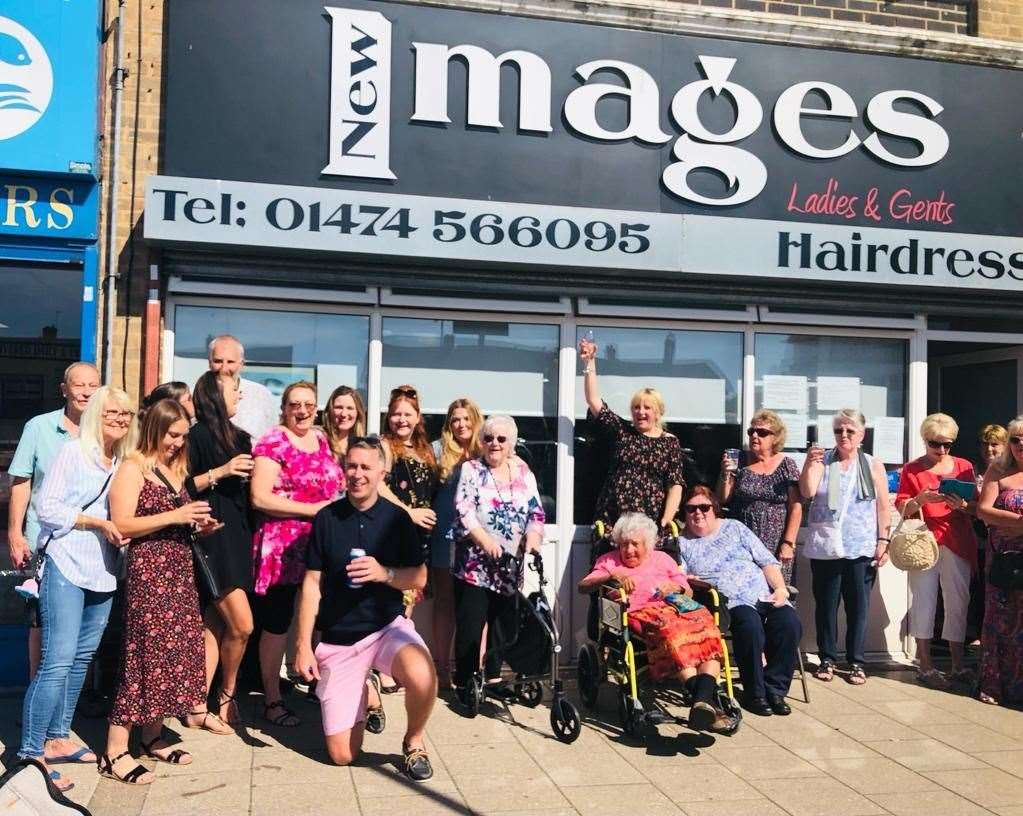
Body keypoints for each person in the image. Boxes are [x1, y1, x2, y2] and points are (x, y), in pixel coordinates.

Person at [293, 438, 436, 779]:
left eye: (366, 467)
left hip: (386, 628)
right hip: (339, 640)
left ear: (381, 473)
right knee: (342, 755)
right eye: (352, 466)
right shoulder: (327, 518)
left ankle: (414, 740)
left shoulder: (397, 519)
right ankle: (362, 685)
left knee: (422, 675)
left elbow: (419, 577)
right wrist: (302, 645)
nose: (357, 474)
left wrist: (384, 574)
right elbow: (311, 584)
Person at [16, 387, 135, 792]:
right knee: (57, 661)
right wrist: (98, 524)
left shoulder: (120, 460)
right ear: (96, 413)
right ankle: (29, 754)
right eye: (112, 412)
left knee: (82, 657)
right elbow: (46, 508)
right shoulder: (73, 452)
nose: (120, 419)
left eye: (126, 414)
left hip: (103, 570)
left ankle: (59, 738)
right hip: (67, 564)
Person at [101, 399, 220, 785]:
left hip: (179, 571)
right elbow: (122, 524)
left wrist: (198, 526)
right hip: (150, 572)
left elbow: (175, 520)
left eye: (183, 436)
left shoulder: (173, 470)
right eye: (173, 435)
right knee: (143, 656)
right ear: (154, 428)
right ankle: (115, 749)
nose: (177, 443)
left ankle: (152, 736)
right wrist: (176, 516)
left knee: (172, 654)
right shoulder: (134, 467)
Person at [579, 512, 734, 732]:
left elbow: (687, 590)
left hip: (678, 609)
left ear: (649, 545)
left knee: (707, 628)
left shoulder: (663, 559)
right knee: (675, 634)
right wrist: (612, 577)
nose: (629, 550)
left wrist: (676, 588)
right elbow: (583, 586)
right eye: (624, 544)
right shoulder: (609, 561)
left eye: (635, 544)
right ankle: (704, 698)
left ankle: (702, 701)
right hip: (643, 614)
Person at [251, 381, 343, 727]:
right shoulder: (273, 441)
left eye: (308, 404)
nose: (301, 410)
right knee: (276, 624)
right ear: (284, 408)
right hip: (283, 548)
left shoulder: (321, 440)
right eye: (294, 404)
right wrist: (314, 509)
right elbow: (259, 497)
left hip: (319, 548)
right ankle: (272, 699)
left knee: (319, 619)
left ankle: (318, 686)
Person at [7, 362, 100, 678]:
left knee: (82, 624)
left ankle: (70, 700)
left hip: (90, 546)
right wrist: (15, 535)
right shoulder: (39, 427)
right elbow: (21, 482)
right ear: (64, 389)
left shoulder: (105, 431)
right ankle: (37, 696)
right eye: (79, 385)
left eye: (92, 385)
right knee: (41, 622)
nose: (86, 392)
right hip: (44, 543)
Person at [676, 486, 802, 716]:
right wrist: (690, 581)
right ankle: (755, 694)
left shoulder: (735, 528)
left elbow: (766, 561)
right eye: (691, 508)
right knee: (750, 627)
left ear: (714, 509)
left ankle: (774, 689)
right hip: (730, 601)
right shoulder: (683, 542)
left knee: (789, 623)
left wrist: (781, 589)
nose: (698, 513)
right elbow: (679, 577)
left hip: (764, 595)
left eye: (704, 507)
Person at [452, 415, 544, 705]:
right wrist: (486, 541)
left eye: (501, 439)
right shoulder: (471, 469)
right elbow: (463, 510)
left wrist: (533, 537)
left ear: (511, 444)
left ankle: (492, 677)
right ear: (481, 441)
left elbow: (536, 511)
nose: (494, 443)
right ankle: (465, 680)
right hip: (476, 565)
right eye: (489, 438)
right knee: (472, 622)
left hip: (509, 565)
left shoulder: (523, 471)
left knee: (503, 622)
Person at [799, 409, 890, 686]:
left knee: (858, 607)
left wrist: (883, 541)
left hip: (860, 545)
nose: (844, 435)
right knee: (826, 606)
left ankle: (856, 661)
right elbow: (807, 492)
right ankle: (827, 657)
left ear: (861, 435)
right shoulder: (823, 461)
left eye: (850, 430)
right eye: (839, 430)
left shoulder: (873, 464)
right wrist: (807, 465)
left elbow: (883, 505)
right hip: (827, 545)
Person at [185, 371, 256, 725]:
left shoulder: (242, 437)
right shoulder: (193, 436)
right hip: (211, 538)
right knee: (242, 625)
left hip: (238, 536)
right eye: (233, 390)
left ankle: (197, 705)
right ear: (213, 394)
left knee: (214, 624)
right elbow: (182, 486)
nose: (239, 396)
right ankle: (227, 696)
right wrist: (222, 471)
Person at [896, 413, 977, 688]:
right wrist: (920, 499)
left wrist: (963, 506)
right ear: (924, 440)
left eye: (947, 444)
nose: (941, 450)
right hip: (924, 541)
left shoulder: (965, 466)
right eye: (935, 443)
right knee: (924, 600)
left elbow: (978, 508)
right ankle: (926, 664)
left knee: (958, 600)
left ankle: (957, 664)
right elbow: (902, 508)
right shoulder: (912, 469)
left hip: (957, 538)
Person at [578, 337, 685, 538]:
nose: (641, 412)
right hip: (613, 521)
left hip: (650, 524)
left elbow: (675, 483)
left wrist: (667, 518)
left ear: (658, 412)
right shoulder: (623, 432)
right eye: (636, 407)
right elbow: (593, 400)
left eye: (647, 407)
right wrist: (589, 362)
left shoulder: (670, 442)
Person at [430, 398, 483, 688]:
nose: (461, 425)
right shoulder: (439, 450)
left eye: (466, 419)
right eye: (455, 420)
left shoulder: (487, 448)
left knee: (475, 606)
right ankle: (442, 669)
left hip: (477, 537)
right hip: (444, 534)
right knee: (445, 602)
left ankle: (476, 669)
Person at [718, 409, 803, 585]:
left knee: (777, 594)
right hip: (742, 541)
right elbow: (723, 498)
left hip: (776, 542)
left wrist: (788, 543)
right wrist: (725, 474)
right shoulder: (739, 460)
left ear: (776, 438)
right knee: (743, 591)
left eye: (762, 432)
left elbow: (796, 507)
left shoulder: (787, 465)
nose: (755, 435)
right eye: (751, 431)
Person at [976, 418, 1023, 706]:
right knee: (1000, 622)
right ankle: (994, 685)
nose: (1021, 445)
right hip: (1004, 561)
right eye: (1015, 440)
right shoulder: (998, 470)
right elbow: (983, 511)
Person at [968, 424, 1007, 646]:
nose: (989, 449)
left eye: (995, 444)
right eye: (985, 444)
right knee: (979, 588)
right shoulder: (973, 471)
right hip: (976, 538)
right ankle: (978, 633)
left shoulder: (1010, 473)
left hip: (1002, 539)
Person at [207, 335, 277, 440]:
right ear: (210, 362)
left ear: (241, 364)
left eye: (230, 362)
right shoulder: (200, 395)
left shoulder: (261, 394)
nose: (224, 368)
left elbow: (274, 437)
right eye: (218, 361)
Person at [322, 385, 367, 464]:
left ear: (358, 413)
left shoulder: (364, 446)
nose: (344, 414)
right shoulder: (319, 441)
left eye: (350, 408)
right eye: (339, 407)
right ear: (329, 411)